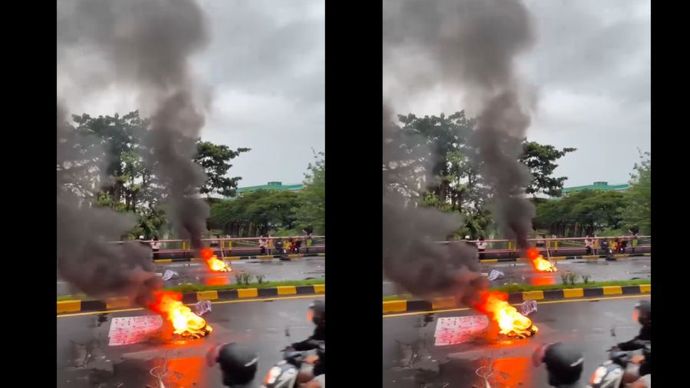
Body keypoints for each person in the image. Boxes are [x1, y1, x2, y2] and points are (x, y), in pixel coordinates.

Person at [292, 300, 325, 381]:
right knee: (294, 379)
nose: (311, 316)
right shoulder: (320, 328)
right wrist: (294, 347)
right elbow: (312, 342)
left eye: (313, 313)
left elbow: (316, 343)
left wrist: (317, 358)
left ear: (319, 314)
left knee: (311, 386)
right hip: (319, 370)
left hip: (323, 372)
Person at [617, 300, 651, 379]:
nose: (637, 316)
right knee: (625, 377)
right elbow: (638, 342)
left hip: (647, 370)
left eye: (639, 313)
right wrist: (620, 347)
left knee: (630, 381)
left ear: (645, 315)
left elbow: (640, 342)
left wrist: (644, 359)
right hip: (647, 368)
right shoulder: (646, 328)